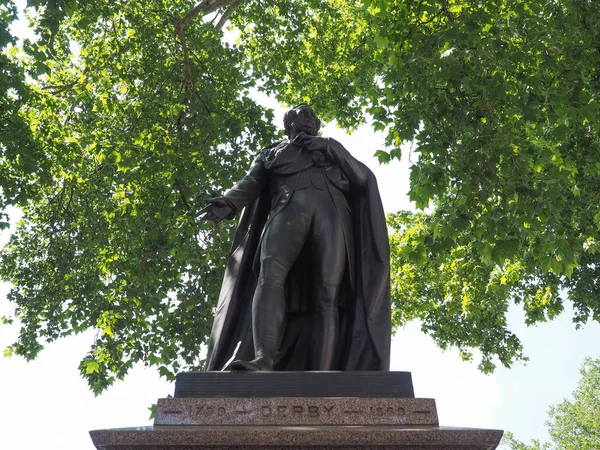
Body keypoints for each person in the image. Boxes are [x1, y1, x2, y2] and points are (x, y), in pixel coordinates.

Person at [199, 104, 390, 371]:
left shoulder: (331, 150)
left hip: (332, 217)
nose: (304, 118)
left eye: (309, 116)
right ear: (287, 126)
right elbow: (251, 182)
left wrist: (331, 148)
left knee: (329, 293)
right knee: (269, 276)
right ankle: (263, 359)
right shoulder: (272, 154)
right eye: (297, 116)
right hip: (286, 212)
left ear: (316, 124)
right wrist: (229, 202)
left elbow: (362, 178)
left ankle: (323, 373)